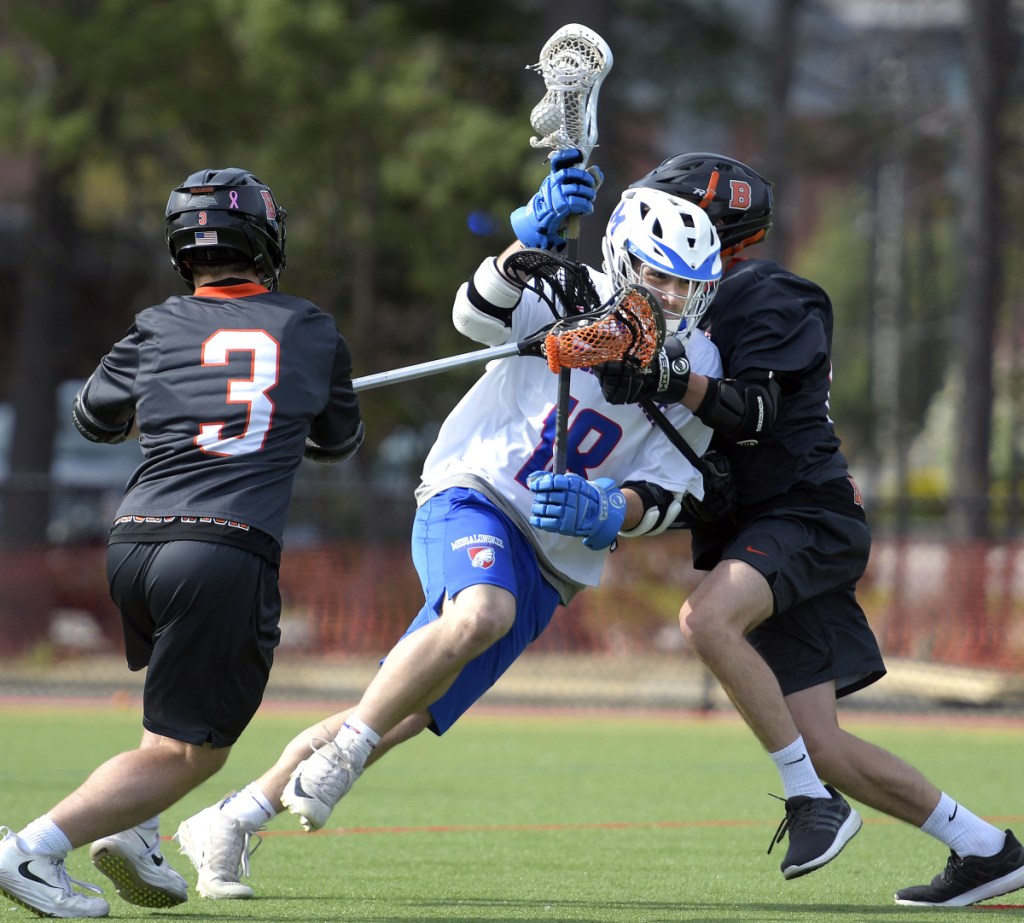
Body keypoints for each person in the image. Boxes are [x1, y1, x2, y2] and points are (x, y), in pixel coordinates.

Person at [172, 150, 725, 899]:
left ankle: (231, 819)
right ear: (622, 262)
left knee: (396, 710)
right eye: (658, 277)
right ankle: (340, 754)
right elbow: (474, 313)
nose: (670, 297)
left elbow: (676, 487)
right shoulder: (570, 287)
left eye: (686, 285)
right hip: (475, 494)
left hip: (553, 561)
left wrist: (608, 509)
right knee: (477, 615)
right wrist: (525, 239)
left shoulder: (697, 360)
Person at [594, 152, 1024, 905]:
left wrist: (665, 376)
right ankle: (986, 848)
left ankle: (808, 801)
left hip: (805, 513)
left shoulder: (766, 294)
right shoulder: (673, 310)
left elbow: (754, 414)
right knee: (824, 744)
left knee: (706, 619)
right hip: (756, 527)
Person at [0, 168, 364, 918]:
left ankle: (135, 831)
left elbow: (94, 417)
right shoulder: (310, 327)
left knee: (169, 724)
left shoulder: (157, 324)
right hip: (225, 549)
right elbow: (339, 441)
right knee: (194, 752)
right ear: (266, 239)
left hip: (133, 544)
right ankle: (29, 851)